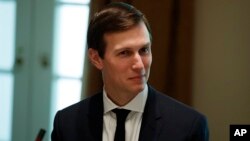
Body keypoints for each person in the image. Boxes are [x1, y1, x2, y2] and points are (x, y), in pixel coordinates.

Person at [51, 2, 209, 141]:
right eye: (125, 53)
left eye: (144, 50)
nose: (140, 65)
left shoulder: (189, 126)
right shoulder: (66, 123)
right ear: (96, 58)